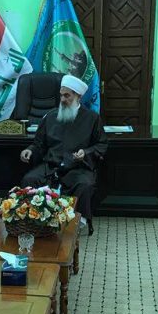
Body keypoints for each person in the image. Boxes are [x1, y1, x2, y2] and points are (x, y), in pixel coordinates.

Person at [19, 74, 108, 228]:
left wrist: (85, 153)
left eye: (67, 96)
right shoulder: (50, 117)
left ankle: (76, 224)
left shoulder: (92, 118)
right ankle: (35, 219)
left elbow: (101, 144)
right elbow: (39, 143)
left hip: (77, 167)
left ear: (78, 96)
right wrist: (30, 150)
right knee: (30, 179)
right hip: (50, 165)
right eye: (61, 95)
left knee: (84, 185)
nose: (62, 99)